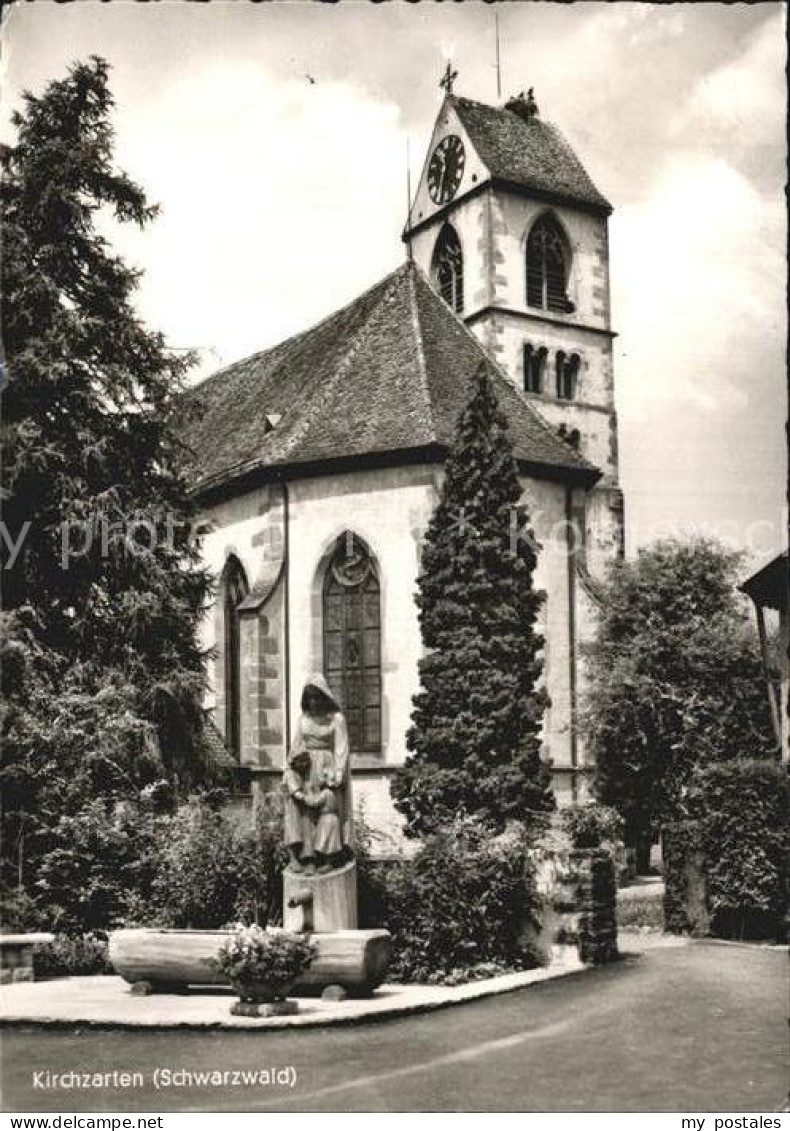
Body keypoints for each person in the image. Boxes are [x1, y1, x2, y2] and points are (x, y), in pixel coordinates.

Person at [282, 673, 353, 873]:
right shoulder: (303, 720)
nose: (313, 702)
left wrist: (336, 776)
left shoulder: (336, 719)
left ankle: (328, 857)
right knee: (304, 810)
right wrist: (293, 764)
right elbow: (296, 746)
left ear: (324, 697)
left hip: (326, 767)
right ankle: (307, 857)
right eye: (309, 698)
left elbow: (341, 748)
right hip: (306, 769)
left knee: (327, 811)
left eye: (317, 697)